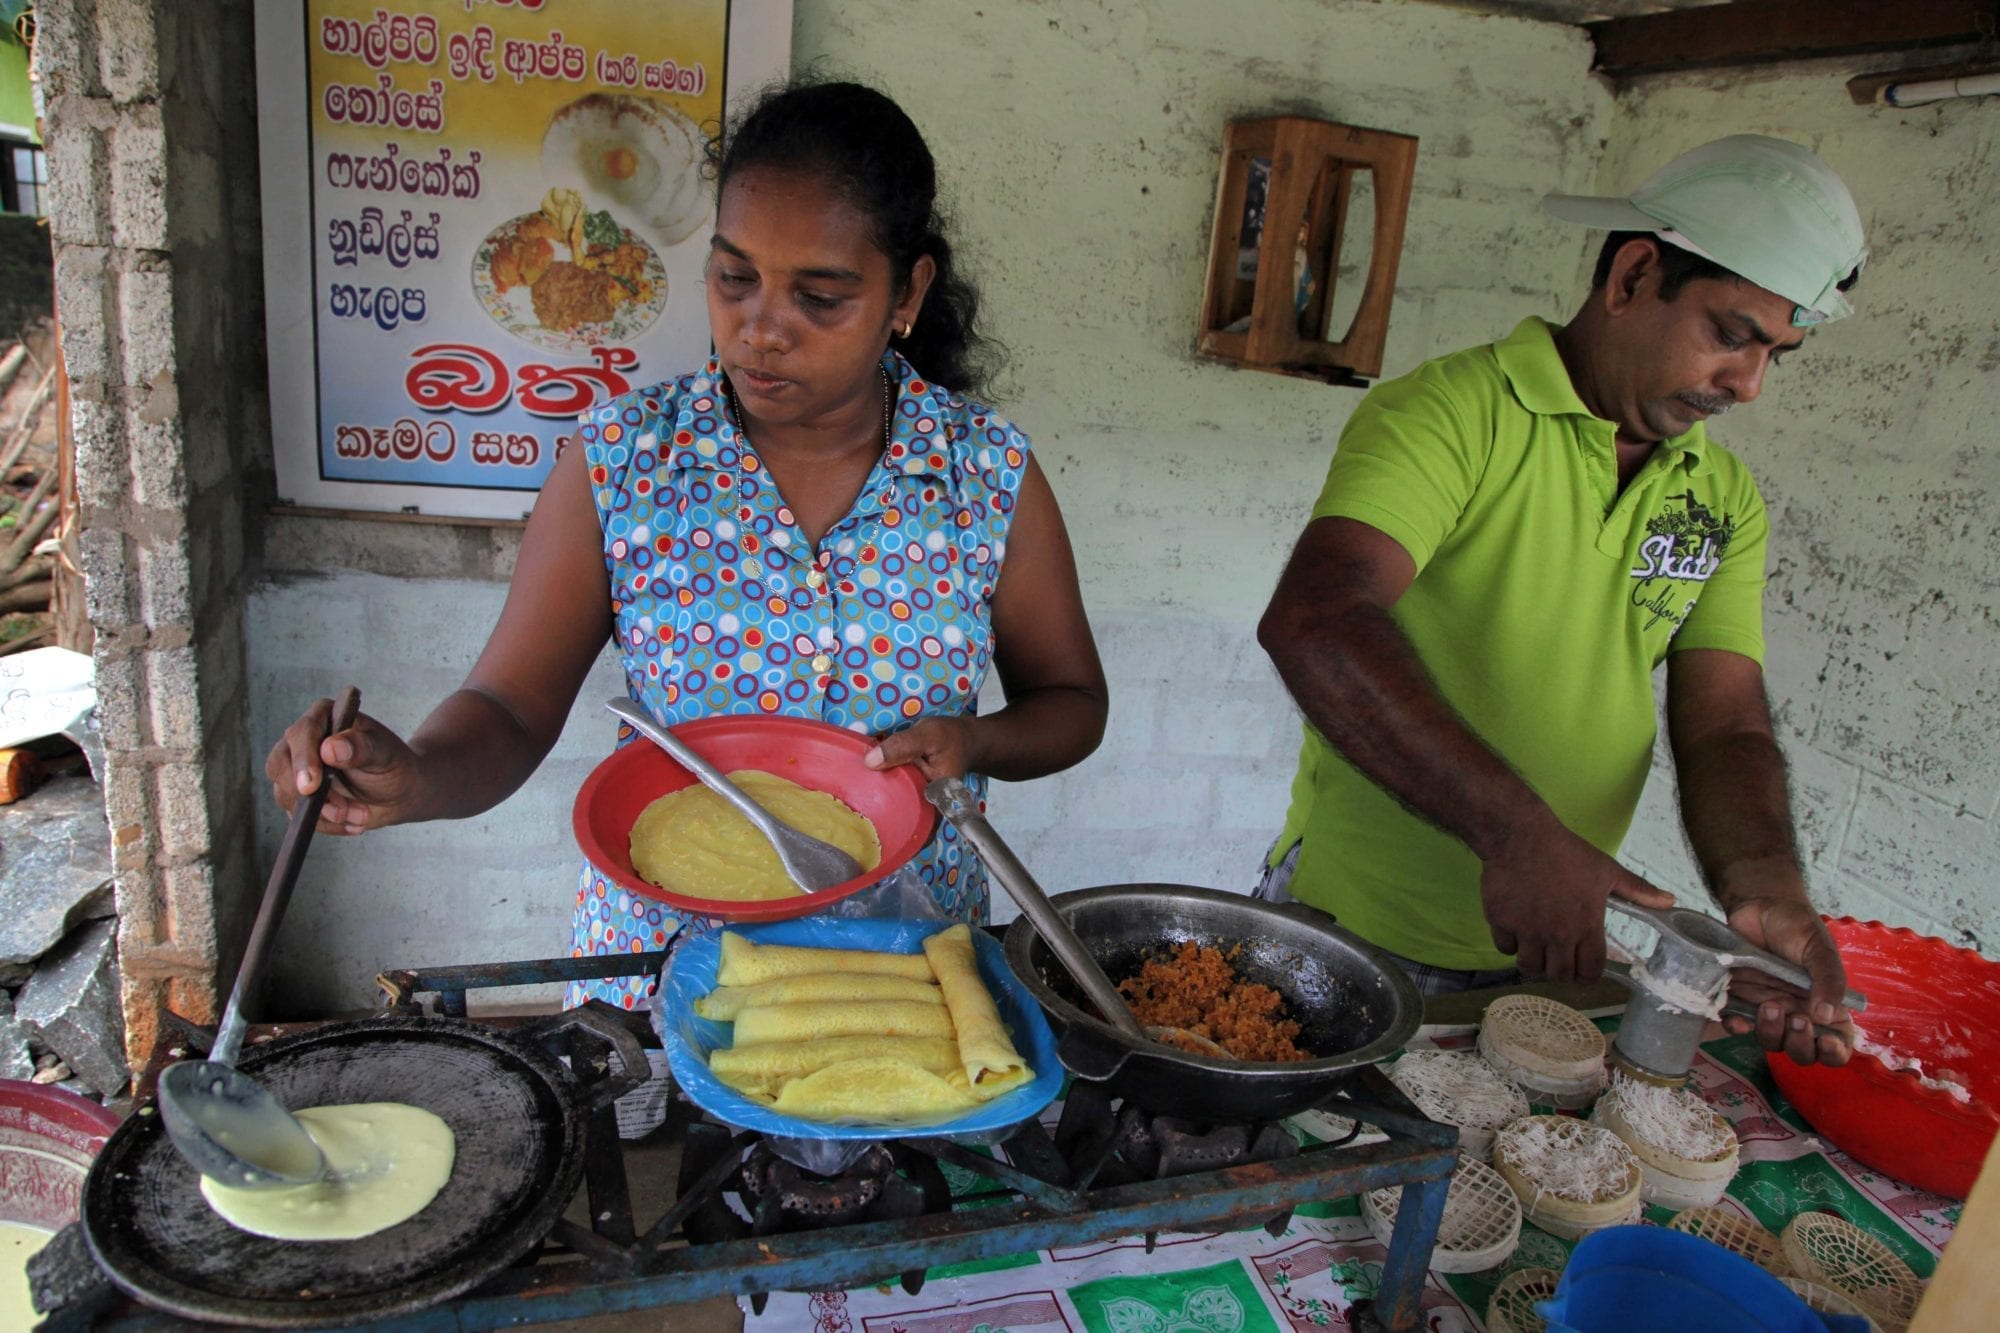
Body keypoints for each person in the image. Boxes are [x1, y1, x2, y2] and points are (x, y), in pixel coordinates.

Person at [267, 81, 1109, 1010]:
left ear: (906, 292)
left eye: (820, 297)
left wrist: (978, 740)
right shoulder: (625, 460)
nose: (761, 329)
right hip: (663, 979)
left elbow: (1071, 702)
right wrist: (415, 774)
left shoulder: (984, 475)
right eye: (734, 277)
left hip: (901, 977)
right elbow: (507, 704)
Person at [1256, 136, 1865, 1067]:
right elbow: (1317, 620)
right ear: (1632, 274)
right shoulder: (1454, 413)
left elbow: (1726, 728)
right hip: (1354, 928)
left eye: (1779, 352)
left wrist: (1768, 891)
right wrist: (1521, 835)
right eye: (1733, 335)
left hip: (1558, 951)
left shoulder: (1723, 497)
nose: (1748, 384)